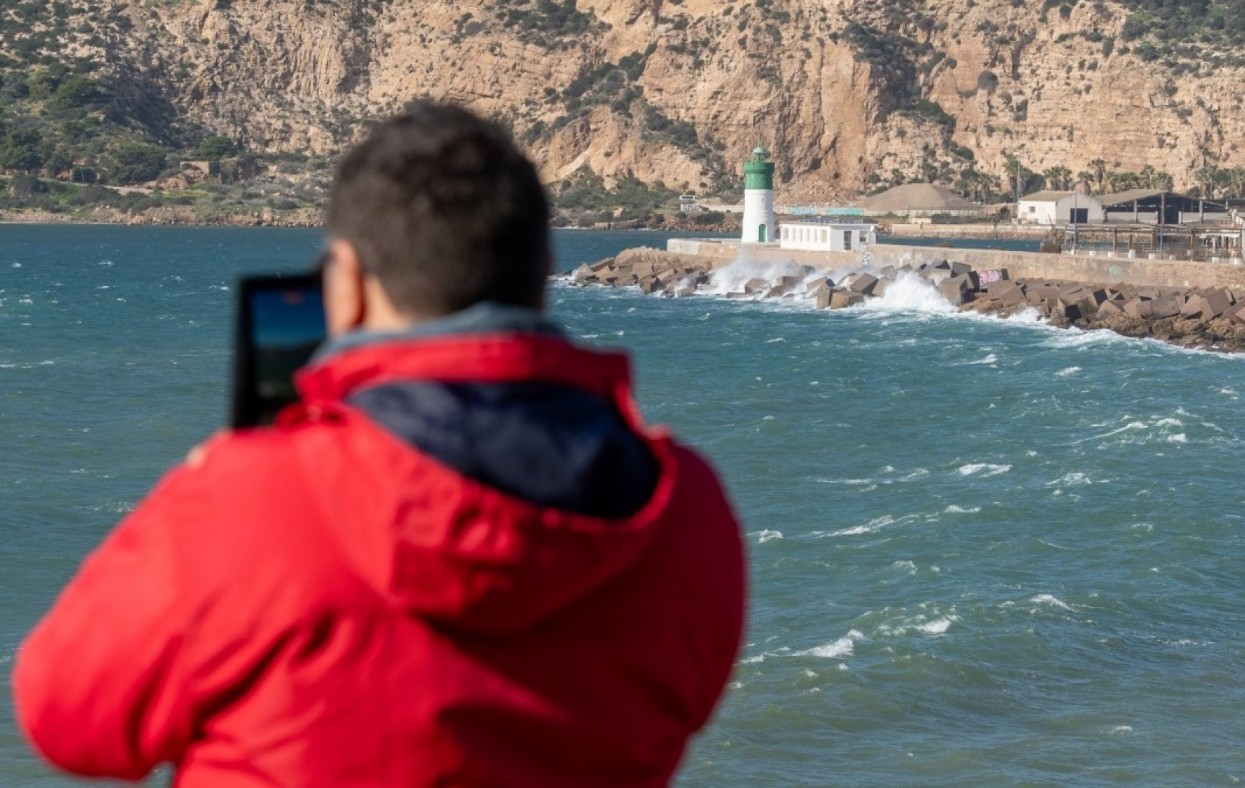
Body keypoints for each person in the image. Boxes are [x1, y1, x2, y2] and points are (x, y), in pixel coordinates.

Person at [13, 103, 747, 786]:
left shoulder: (247, 499)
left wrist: (206, 487)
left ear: (349, 285)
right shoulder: (687, 509)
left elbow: (66, 719)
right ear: (543, 270)